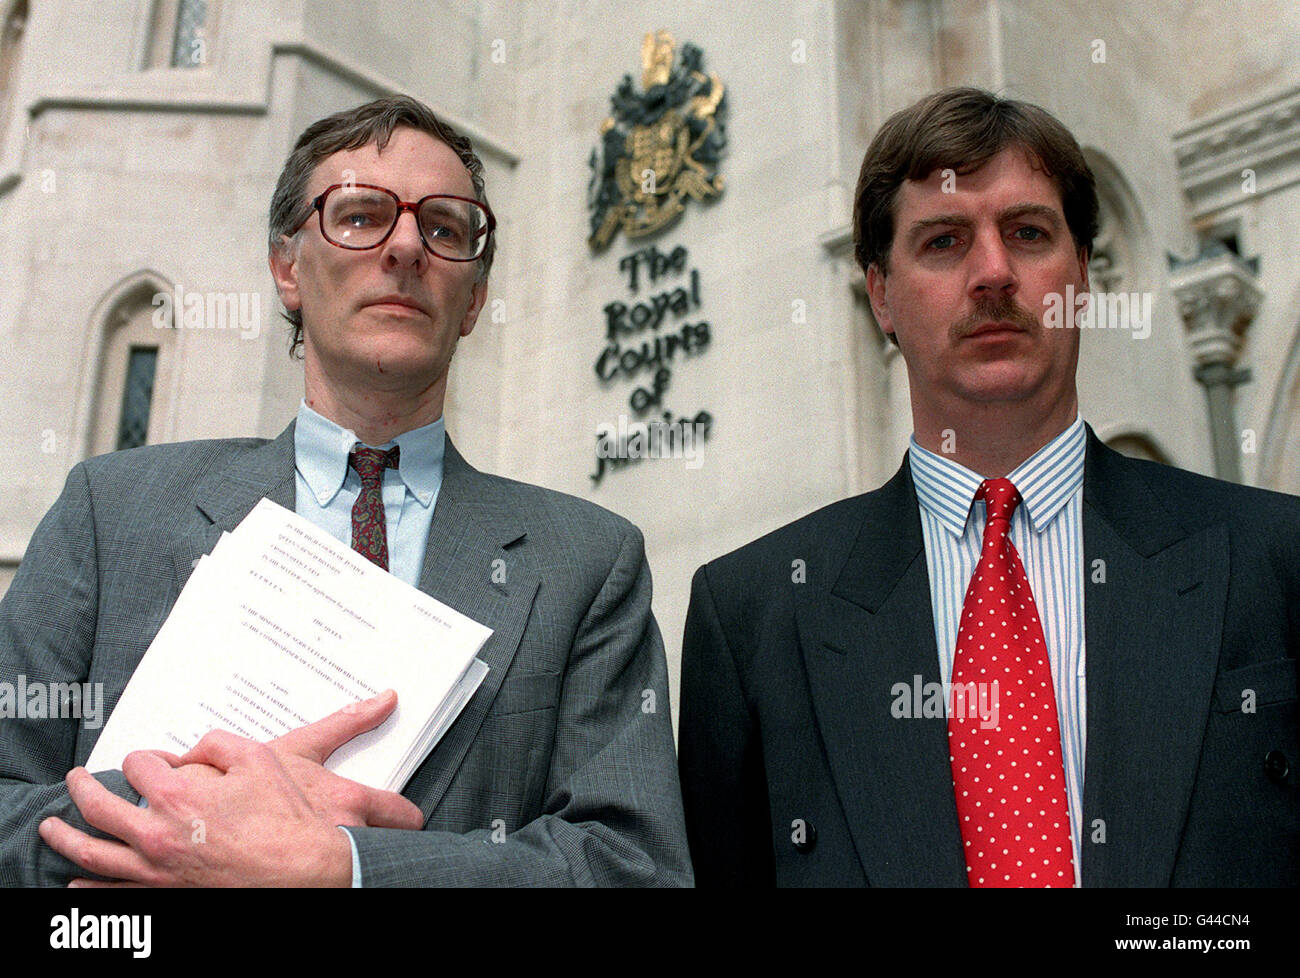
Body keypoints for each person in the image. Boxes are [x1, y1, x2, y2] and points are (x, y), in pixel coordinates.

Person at [0, 95, 692, 887]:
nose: (405, 245)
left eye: (444, 227)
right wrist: (191, 821)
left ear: (473, 299)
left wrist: (346, 868)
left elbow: (629, 866)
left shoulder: (587, 561)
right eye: (361, 216)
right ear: (288, 268)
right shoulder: (111, 511)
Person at [677, 87, 1298, 887]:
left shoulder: (1273, 558)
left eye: (1029, 233)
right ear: (880, 295)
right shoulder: (754, 616)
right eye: (942, 242)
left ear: (1082, 272)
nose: (994, 273)